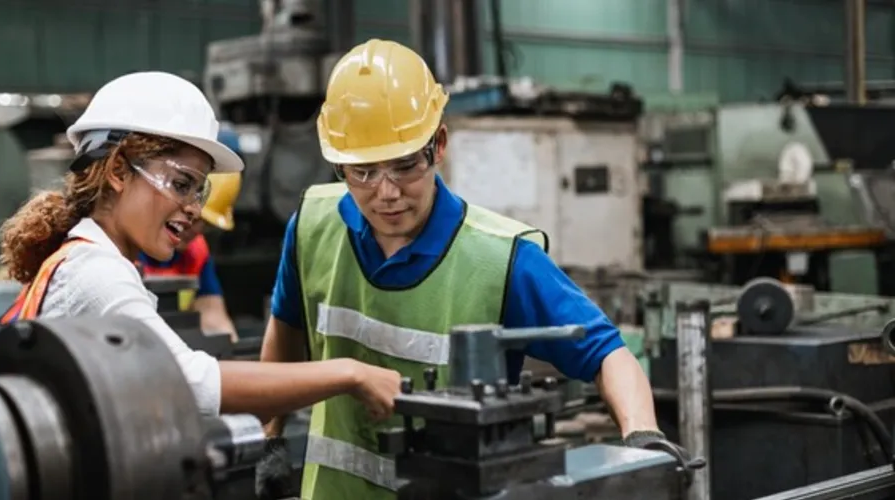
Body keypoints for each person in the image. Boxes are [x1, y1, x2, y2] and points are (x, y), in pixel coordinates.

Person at [258, 39, 674, 500]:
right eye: (363, 172)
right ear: (339, 165)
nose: (387, 192)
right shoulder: (313, 226)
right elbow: (286, 328)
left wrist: (642, 439)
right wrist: (271, 436)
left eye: (404, 165)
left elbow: (607, 353)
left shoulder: (500, 259)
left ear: (438, 146)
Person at [0, 70, 402, 422]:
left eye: (198, 190)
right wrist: (350, 374)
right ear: (119, 170)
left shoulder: (84, 257)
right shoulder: (98, 271)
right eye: (180, 184)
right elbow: (190, 382)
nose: (192, 209)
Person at [138, 170, 241, 342]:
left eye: (206, 225)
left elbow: (214, 319)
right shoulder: (124, 246)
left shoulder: (196, 251)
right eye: (193, 219)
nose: (197, 230)